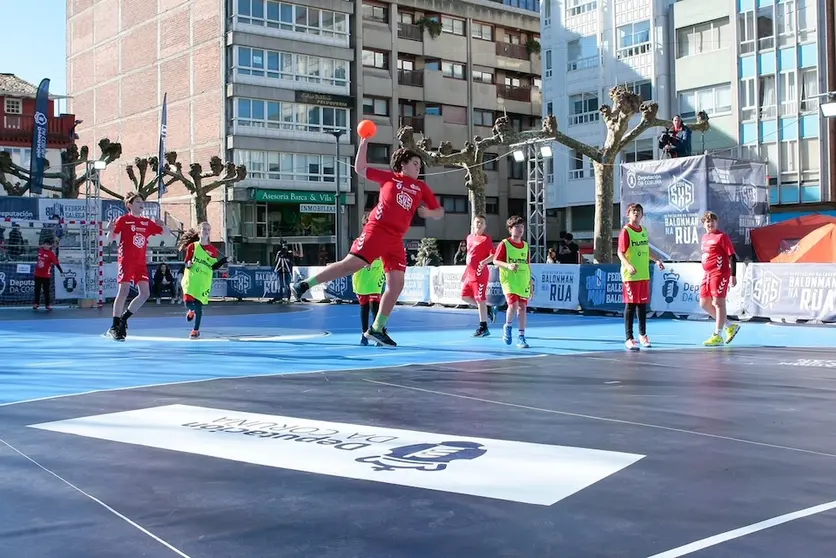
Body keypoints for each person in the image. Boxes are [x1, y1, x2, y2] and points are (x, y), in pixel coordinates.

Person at [290, 138, 445, 347]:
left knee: (397, 284)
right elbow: (360, 168)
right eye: (415, 163)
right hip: (377, 230)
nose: (418, 167)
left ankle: (377, 329)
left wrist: (429, 212)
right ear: (402, 164)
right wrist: (363, 141)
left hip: (396, 238)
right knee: (351, 265)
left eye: (420, 165)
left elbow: (439, 211)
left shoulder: (421, 187)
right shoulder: (389, 178)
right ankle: (303, 285)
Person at [103, 192, 170, 341]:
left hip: (140, 262)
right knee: (124, 291)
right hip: (126, 260)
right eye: (138, 202)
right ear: (129, 205)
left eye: (142, 202)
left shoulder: (146, 222)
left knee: (145, 293)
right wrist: (110, 230)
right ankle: (114, 326)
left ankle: (124, 319)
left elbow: (167, 234)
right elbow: (109, 239)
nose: (141, 204)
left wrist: (163, 225)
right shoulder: (123, 220)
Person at [617, 203, 665, 350]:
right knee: (630, 305)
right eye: (633, 211)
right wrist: (628, 265)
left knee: (642, 305)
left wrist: (656, 260)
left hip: (643, 274)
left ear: (642, 215)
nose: (636, 213)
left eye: (638, 211)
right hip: (630, 275)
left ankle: (643, 335)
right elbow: (620, 252)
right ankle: (629, 338)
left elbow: (646, 249)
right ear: (628, 214)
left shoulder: (643, 231)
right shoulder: (626, 231)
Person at [178, 222, 227, 339]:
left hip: (203, 280)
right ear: (199, 231)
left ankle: (195, 330)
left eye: (208, 229)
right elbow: (187, 261)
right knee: (188, 303)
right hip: (191, 279)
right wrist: (188, 263)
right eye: (204, 229)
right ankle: (191, 310)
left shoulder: (212, 250)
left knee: (199, 306)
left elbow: (213, 266)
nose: (206, 231)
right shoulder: (193, 246)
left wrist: (223, 261)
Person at [699, 211, 741, 346]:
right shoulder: (705, 237)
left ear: (717, 223)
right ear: (704, 224)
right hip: (707, 274)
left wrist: (733, 275)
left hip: (719, 273)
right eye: (707, 221)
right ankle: (730, 325)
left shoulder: (722, 237)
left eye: (712, 221)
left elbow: (732, 256)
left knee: (718, 303)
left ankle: (718, 335)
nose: (710, 223)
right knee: (704, 303)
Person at [493, 215, 534, 349]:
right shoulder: (504, 244)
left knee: (523, 307)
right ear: (510, 229)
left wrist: (530, 283)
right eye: (517, 227)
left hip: (523, 279)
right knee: (513, 305)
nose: (520, 229)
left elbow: (528, 264)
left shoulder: (526, 246)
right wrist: (508, 265)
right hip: (509, 279)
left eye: (522, 227)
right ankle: (508, 325)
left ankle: (521, 336)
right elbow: (495, 261)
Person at [460, 214, 496, 337]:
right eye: (477, 222)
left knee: (480, 299)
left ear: (485, 226)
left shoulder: (486, 239)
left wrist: (483, 262)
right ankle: (488, 309)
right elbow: (469, 257)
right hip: (470, 274)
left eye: (481, 222)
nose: (479, 224)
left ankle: (483, 327)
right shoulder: (469, 238)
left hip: (480, 274)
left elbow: (493, 255)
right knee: (464, 296)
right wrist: (465, 272)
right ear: (473, 224)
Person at [352, 239, 385, 346]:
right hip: (362, 281)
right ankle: (364, 334)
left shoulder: (381, 242)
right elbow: (352, 259)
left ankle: (378, 332)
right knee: (364, 308)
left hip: (375, 280)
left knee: (374, 306)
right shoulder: (359, 242)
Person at [33, 239, 64, 311]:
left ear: (50, 246)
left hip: (46, 276)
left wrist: (61, 271)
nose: (46, 246)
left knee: (46, 291)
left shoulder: (51, 254)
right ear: (43, 244)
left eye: (48, 245)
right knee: (37, 290)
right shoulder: (40, 250)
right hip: (37, 274)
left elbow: (56, 263)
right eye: (45, 244)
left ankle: (48, 305)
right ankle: (36, 304)